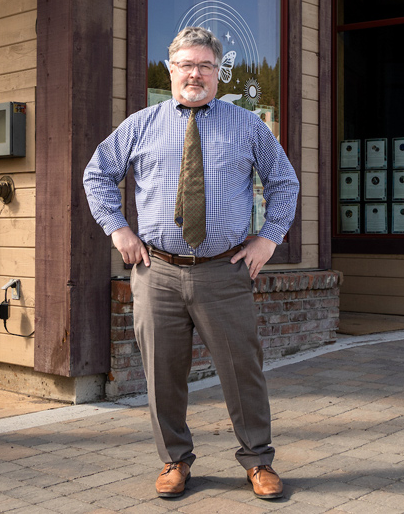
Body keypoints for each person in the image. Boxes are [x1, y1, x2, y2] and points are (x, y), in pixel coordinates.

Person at [83, 26, 299, 499]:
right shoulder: (140, 125)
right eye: (186, 65)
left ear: (219, 72)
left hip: (224, 271)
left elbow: (284, 182)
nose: (195, 74)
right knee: (162, 373)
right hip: (156, 271)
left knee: (243, 371)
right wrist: (118, 229)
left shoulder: (248, 127)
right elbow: (97, 174)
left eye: (205, 65)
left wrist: (268, 239)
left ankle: (258, 461)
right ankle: (174, 460)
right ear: (170, 69)